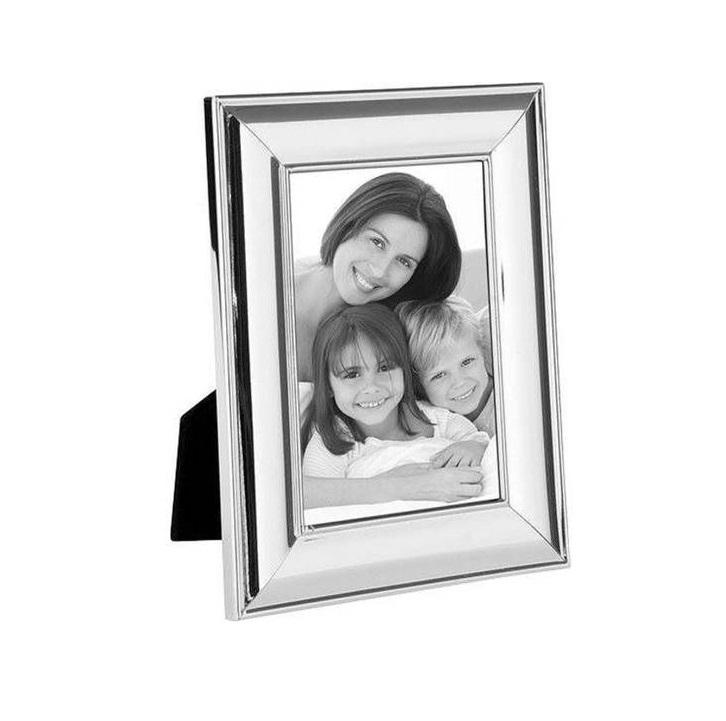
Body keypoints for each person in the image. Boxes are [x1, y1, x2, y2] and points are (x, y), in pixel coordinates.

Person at [302, 304, 488, 508]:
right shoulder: (334, 439)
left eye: (384, 367)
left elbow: (478, 442)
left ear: (404, 370)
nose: (372, 387)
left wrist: (474, 447)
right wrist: (401, 486)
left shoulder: (435, 419)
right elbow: (308, 499)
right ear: (328, 386)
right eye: (352, 374)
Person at [294, 172, 461, 382]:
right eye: (377, 242)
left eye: (404, 261)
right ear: (348, 224)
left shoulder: (388, 332)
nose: (380, 271)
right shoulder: (264, 295)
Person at [395, 296, 495, 437]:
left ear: (482, 352)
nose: (459, 382)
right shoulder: (437, 425)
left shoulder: (510, 390)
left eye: (467, 362)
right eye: (439, 375)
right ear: (419, 387)